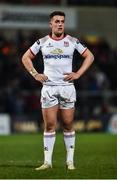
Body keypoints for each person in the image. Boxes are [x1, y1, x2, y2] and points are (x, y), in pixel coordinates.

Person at [22, 11, 94, 170]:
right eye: (56, 21)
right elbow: (25, 57)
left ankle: (70, 161)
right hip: (49, 88)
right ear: (51, 24)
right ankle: (47, 162)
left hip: (67, 88)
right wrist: (35, 74)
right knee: (50, 125)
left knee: (68, 124)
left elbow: (90, 56)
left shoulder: (73, 41)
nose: (60, 24)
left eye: (62, 21)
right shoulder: (42, 42)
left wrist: (78, 73)